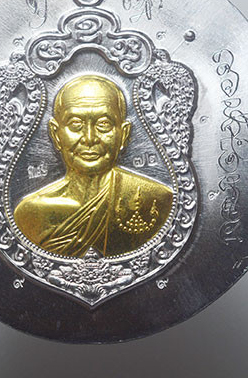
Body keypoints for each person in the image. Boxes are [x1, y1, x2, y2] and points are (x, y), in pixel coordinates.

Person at [13, 75, 174, 257]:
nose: (89, 138)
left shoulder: (157, 200)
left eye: (103, 124)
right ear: (56, 134)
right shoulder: (30, 213)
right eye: (75, 124)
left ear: (124, 134)